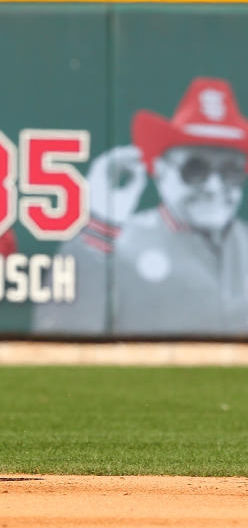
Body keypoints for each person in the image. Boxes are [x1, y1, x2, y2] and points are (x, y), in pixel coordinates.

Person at [32, 77, 248, 335]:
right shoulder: (113, 242)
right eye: (195, 169)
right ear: (160, 170)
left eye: (231, 171)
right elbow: (57, 338)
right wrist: (99, 228)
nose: (214, 188)